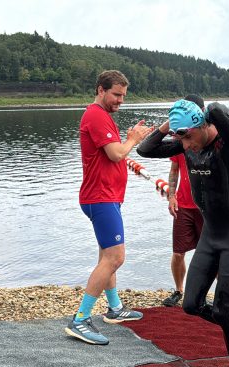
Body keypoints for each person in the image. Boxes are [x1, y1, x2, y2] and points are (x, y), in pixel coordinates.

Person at [138, 99, 229, 367]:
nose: (185, 145)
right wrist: (171, 124)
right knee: (191, 305)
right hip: (211, 236)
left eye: (188, 136)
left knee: (226, 312)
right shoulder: (186, 144)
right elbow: (145, 149)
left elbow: (218, 110)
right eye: (181, 138)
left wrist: (203, 112)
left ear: (204, 125)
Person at [65, 70, 153, 345]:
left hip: (107, 197)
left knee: (107, 256)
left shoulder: (104, 117)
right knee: (115, 258)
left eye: (123, 96)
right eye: (116, 95)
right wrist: (134, 139)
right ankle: (80, 319)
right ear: (101, 90)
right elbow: (116, 153)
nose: (120, 101)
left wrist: (127, 139)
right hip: (99, 197)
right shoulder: (95, 114)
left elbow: (113, 151)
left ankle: (114, 308)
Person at [162, 95, 205, 307]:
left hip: (206, 209)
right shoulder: (179, 140)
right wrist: (171, 196)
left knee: (209, 253)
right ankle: (179, 290)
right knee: (178, 252)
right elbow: (174, 170)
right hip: (184, 205)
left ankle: (206, 293)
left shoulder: (207, 139)